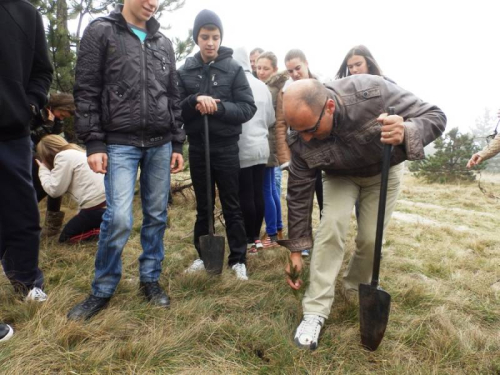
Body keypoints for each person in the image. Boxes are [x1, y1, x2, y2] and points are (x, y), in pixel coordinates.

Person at [280, 78, 446, 350]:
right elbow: (298, 194)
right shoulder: (300, 136)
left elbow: (436, 116)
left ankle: (355, 287)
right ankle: (315, 311)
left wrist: (406, 129)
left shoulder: (372, 92)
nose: (305, 138)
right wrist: (296, 251)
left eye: (310, 128)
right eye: (298, 131)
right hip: (340, 177)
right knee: (330, 227)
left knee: (370, 239)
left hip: (384, 170)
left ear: (330, 106)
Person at [68, 0, 185, 320]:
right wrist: (93, 141)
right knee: (118, 217)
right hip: (119, 142)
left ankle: (150, 279)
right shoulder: (101, 32)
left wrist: (177, 142)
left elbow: (172, 95)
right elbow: (87, 89)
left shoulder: (164, 43)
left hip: (160, 143)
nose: (152, 3)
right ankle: (102, 288)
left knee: (157, 215)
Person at [177, 9, 256, 280]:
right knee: (203, 205)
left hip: (225, 147)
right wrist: (194, 101)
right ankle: (202, 254)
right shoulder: (185, 71)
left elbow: (247, 108)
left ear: (221, 39)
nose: (210, 42)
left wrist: (218, 109)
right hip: (198, 147)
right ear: (196, 38)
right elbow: (175, 109)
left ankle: (238, 259)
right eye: (205, 37)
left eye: (215, 37)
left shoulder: (233, 69)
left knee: (232, 204)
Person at [0, 0, 53, 302]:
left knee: (22, 211)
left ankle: (26, 281)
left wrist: (30, 106)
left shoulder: (27, 14)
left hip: (13, 133)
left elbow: (42, 71)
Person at [275, 49, 323, 257]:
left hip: (324, 154)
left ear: (306, 63)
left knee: (326, 202)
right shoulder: (284, 93)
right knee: (300, 202)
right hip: (299, 157)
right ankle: (302, 244)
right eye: (290, 71)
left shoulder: (321, 86)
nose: (294, 73)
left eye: (297, 68)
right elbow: (279, 125)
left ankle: (324, 244)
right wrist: (286, 160)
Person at [233, 47, 274, 253]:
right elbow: (271, 119)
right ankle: (257, 236)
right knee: (258, 193)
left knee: (245, 194)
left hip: (243, 146)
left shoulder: (235, 83)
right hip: (262, 146)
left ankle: (249, 238)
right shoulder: (262, 86)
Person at [36, 135, 106, 243]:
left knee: (66, 238)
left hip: (96, 208)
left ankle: (104, 231)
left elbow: (55, 191)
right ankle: (105, 227)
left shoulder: (62, 156)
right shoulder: (77, 152)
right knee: (78, 224)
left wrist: (43, 169)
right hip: (107, 203)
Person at [31, 93, 76, 238]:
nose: (62, 117)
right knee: (38, 187)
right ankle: (24, 219)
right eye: (62, 114)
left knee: (55, 183)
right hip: (29, 153)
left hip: (45, 155)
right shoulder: (35, 110)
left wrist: (55, 123)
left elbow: (56, 139)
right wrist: (48, 125)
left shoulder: (57, 118)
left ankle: (52, 226)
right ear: (57, 107)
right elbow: (29, 135)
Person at [256, 51, 288, 246]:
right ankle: (277, 229)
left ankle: (271, 233)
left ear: (274, 69)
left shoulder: (272, 89)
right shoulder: (270, 86)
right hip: (271, 142)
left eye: (265, 68)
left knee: (266, 189)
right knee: (271, 189)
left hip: (268, 142)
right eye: (258, 68)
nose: (261, 72)